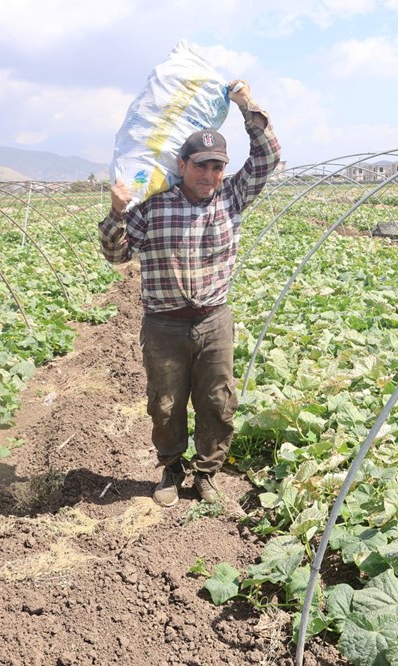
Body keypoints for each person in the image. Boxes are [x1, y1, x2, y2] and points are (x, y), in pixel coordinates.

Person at [99, 79, 281, 507]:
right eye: (201, 166)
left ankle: (207, 473)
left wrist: (247, 106)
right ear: (182, 165)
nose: (209, 175)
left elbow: (268, 157)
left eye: (217, 167)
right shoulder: (154, 204)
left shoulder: (231, 197)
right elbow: (117, 255)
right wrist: (117, 213)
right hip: (164, 324)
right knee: (165, 405)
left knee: (218, 402)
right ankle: (171, 469)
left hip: (214, 320)